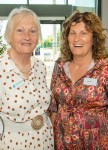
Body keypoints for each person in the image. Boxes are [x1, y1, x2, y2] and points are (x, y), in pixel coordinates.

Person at [49, 10, 108, 150]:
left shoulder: (107, 70)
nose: (76, 39)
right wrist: (55, 125)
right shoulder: (60, 66)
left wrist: (106, 127)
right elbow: (53, 102)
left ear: (94, 38)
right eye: (72, 33)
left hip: (96, 141)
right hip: (63, 140)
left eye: (84, 33)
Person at [0, 7, 54, 149]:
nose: (27, 36)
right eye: (20, 30)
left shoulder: (40, 67)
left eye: (32, 31)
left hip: (44, 139)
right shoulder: (1, 68)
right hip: (13, 143)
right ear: (9, 35)